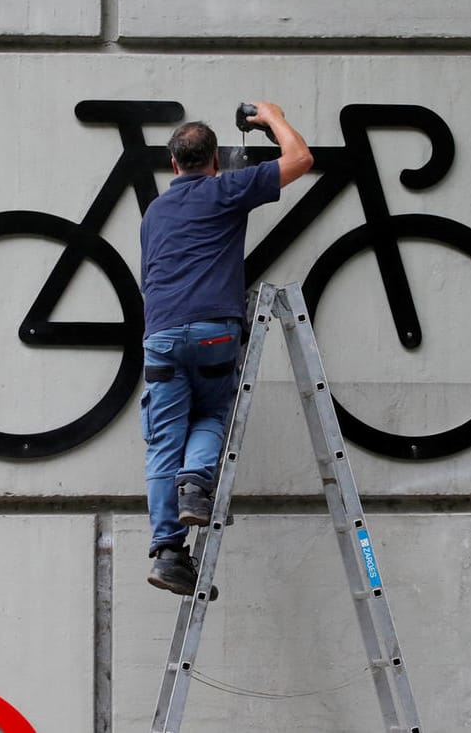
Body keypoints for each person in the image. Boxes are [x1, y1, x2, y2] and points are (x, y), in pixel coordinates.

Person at [138, 101, 313, 595]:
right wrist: (275, 116)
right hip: (214, 331)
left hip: (163, 336)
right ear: (214, 160)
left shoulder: (155, 212)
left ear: (174, 165)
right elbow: (300, 159)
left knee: (162, 443)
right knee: (213, 415)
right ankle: (195, 484)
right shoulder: (226, 190)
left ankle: (169, 554)